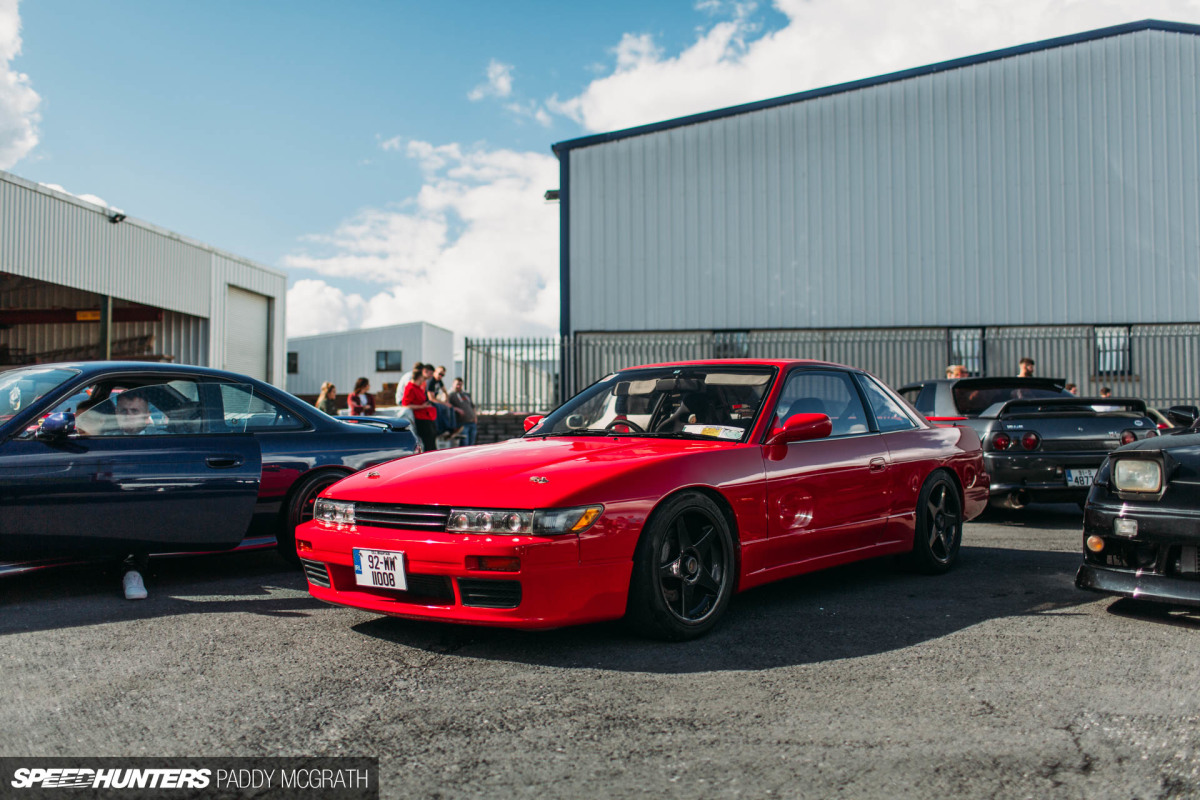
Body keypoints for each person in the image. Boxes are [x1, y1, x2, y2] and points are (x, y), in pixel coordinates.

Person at [401, 363, 438, 451]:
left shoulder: (418, 388)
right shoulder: (410, 388)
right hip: (420, 418)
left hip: (426, 416)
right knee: (428, 440)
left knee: (432, 438)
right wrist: (422, 406)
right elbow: (406, 404)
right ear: (419, 377)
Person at [447, 377, 478, 446]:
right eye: (457, 384)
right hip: (462, 423)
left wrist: (475, 417)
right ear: (453, 384)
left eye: (460, 385)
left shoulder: (466, 394)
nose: (458, 386)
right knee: (464, 443)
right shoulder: (451, 395)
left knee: (471, 443)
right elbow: (447, 405)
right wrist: (456, 409)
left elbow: (472, 406)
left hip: (472, 422)